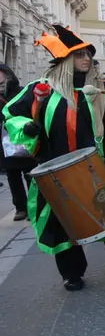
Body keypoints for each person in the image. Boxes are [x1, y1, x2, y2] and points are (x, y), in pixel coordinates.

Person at [3, 24, 105, 290]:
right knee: (62, 219)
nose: (86, 59)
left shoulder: (104, 88)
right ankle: (72, 273)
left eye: (88, 55)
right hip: (57, 168)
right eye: (79, 55)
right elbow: (12, 113)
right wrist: (27, 127)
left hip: (102, 165)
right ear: (65, 59)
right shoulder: (43, 89)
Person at [0, 64, 35, 221]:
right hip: (4, 142)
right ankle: (20, 208)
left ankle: (34, 206)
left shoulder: (21, 92)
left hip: (23, 137)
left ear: (7, 76)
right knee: (12, 176)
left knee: (30, 174)